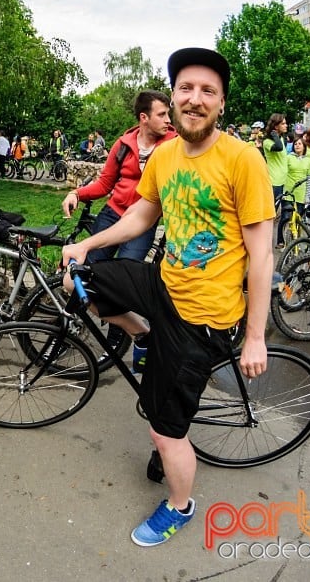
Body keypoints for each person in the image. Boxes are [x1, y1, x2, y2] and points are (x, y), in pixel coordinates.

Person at [62, 48, 273, 547]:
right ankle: (141, 330)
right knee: (80, 278)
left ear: (221, 103)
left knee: (164, 431)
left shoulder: (242, 159)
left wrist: (257, 337)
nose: (194, 99)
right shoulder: (167, 155)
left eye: (208, 91)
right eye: (186, 88)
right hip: (163, 284)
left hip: (204, 316)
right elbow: (141, 214)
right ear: (173, 96)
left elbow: (262, 255)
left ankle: (180, 506)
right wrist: (86, 244)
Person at [61, 90, 177, 360]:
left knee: (122, 284)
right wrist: (76, 193)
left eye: (169, 114)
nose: (168, 120)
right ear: (143, 118)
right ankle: (67, 331)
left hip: (143, 222)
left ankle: (116, 344)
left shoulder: (174, 145)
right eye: (162, 114)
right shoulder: (124, 143)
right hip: (113, 214)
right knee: (82, 273)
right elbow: (104, 184)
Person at [262, 113, 289, 211]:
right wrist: (274, 134)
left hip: (284, 180)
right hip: (274, 181)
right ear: (276, 126)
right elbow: (278, 147)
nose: (286, 125)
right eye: (283, 124)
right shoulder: (267, 142)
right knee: (271, 211)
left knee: (283, 211)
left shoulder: (281, 139)